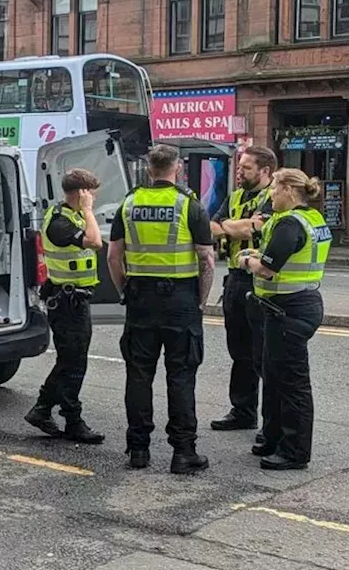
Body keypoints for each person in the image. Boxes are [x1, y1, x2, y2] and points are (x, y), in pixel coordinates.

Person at [107, 144, 217, 474]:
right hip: (181, 300)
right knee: (181, 375)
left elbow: (113, 256)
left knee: (139, 374)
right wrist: (200, 299)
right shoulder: (189, 206)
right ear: (178, 169)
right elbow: (207, 259)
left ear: (149, 169)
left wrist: (125, 289)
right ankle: (183, 452)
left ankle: (138, 449)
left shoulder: (129, 204)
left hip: (141, 299)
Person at [239, 168, 330, 471]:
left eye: (276, 188)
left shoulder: (291, 223)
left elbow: (267, 269)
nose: (272, 195)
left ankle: (294, 451)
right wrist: (260, 254)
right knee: (274, 376)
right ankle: (272, 437)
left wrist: (247, 260)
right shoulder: (311, 218)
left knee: (291, 384)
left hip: (290, 309)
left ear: (290, 190)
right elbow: (281, 255)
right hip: (292, 306)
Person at [25, 168, 106, 444]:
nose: (94, 197)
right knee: (74, 363)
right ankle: (72, 419)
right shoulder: (60, 222)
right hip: (66, 302)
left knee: (70, 360)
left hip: (76, 299)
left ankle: (42, 409)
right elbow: (95, 242)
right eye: (91, 193)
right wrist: (89, 211)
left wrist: (85, 212)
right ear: (81, 193)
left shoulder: (74, 216)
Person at [208, 147, 276, 439]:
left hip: (259, 281)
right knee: (239, 351)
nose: (239, 171)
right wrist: (233, 227)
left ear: (265, 172)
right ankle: (243, 411)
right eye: (239, 166)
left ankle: (270, 422)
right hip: (235, 280)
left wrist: (229, 227)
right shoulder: (235, 196)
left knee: (264, 355)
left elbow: (256, 228)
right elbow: (210, 227)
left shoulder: (274, 196)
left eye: (246, 168)